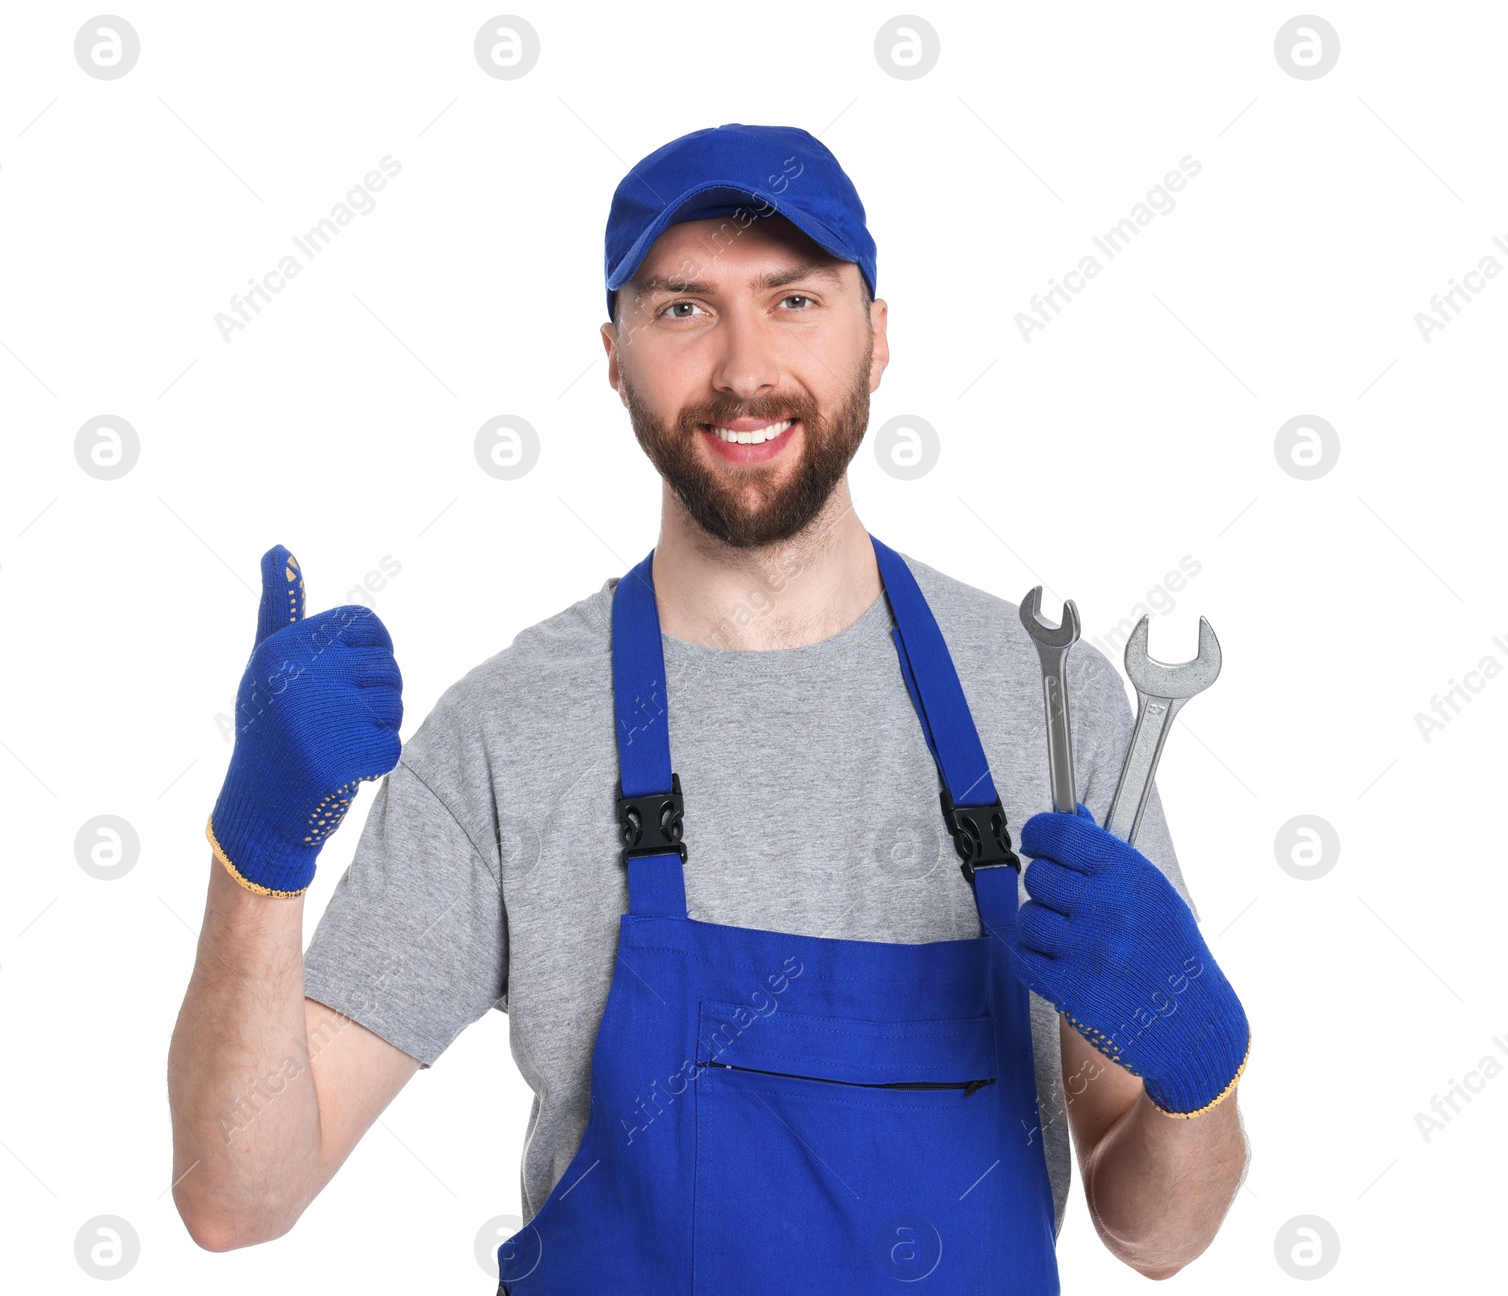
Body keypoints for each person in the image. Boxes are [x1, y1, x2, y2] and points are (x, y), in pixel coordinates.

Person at [168, 123, 1250, 1292]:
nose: (743, 369)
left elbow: (1154, 1234)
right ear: (615, 353)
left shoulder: (1047, 706)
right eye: (683, 308)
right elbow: (237, 1196)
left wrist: (1196, 1072)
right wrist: (260, 857)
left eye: (793, 300)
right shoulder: (506, 733)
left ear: (877, 338)